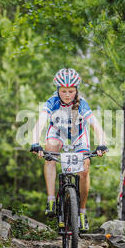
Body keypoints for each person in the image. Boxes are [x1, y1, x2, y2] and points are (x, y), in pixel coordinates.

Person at [30, 68, 107, 232]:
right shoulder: (52, 102)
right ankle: (51, 199)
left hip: (78, 136)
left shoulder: (82, 103)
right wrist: (35, 143)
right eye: (63, 91)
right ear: (58, 89)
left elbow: (96, 126)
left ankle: (82, 212)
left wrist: (102, 143)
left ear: (76, 90)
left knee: (85, 167)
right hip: (57, 133)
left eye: (70, 91)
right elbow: (40, 123)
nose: (66, 94)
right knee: (50, 150)